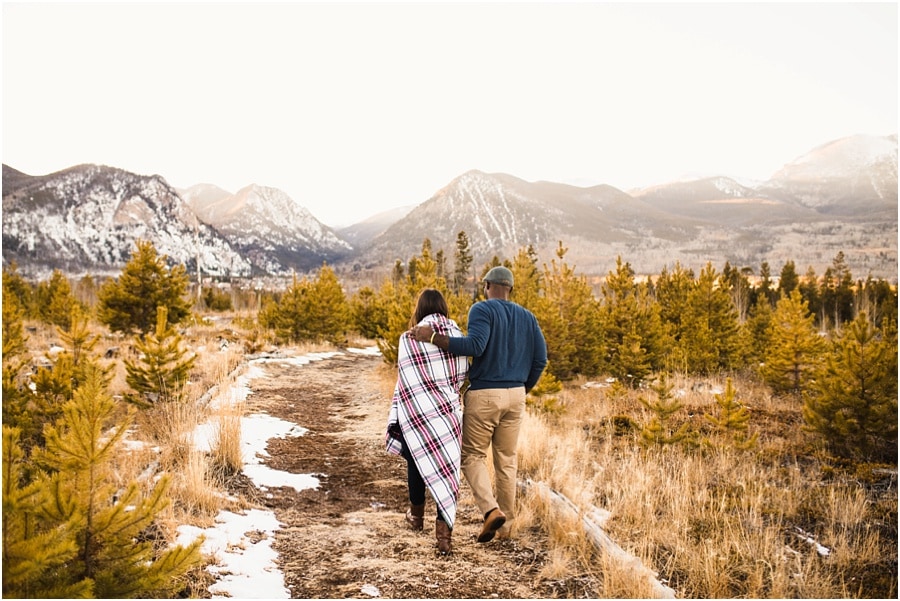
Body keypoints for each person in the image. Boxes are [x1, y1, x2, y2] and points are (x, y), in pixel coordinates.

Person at [410, 266, 547, 544]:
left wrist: (433, 337)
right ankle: (505, 529)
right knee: (506, 461)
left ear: (487, 286)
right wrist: (523, 388)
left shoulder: (481, 310)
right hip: (516, 395)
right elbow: (540, 359)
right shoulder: (528, 317)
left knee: (471, 456)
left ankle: (490, 510)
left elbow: (475, 346)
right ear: (510, 289)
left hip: (485, 394)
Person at [386, 288, 469, 555]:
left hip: (417, 409)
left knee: (415, 459)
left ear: (420, 309)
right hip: (447, 410)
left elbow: (405, 376)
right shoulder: (457, 336)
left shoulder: (408, 339)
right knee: (448, 468)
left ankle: (416, 517)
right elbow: (461, 374)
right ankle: (444, 536)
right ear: (444, 308)